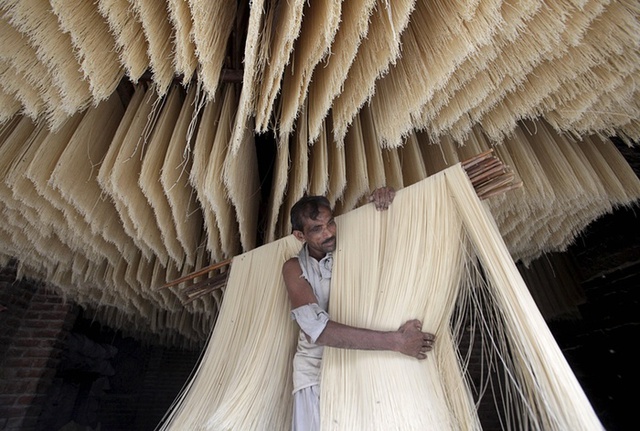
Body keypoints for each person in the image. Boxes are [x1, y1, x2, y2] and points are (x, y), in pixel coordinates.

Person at [282, 188, 437, 431]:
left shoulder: (351, 245)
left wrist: (383, 202)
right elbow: (318, 330)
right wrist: (397, 342)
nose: (329, 232)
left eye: (330, 223)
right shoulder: (294, 268)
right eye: (317, 229)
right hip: (315, 372)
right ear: (300, 236)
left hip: (361, 364)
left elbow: (390, 238)